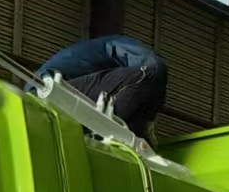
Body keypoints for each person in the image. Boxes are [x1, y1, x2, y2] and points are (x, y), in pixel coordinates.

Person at [35, 35, 167, 142]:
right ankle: (108, 132)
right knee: (148, 74)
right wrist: (148, 122)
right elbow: (155, 68)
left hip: (43, 91)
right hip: (48, 88)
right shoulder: (123, 46)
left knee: (139, 89)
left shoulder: (99, 58)